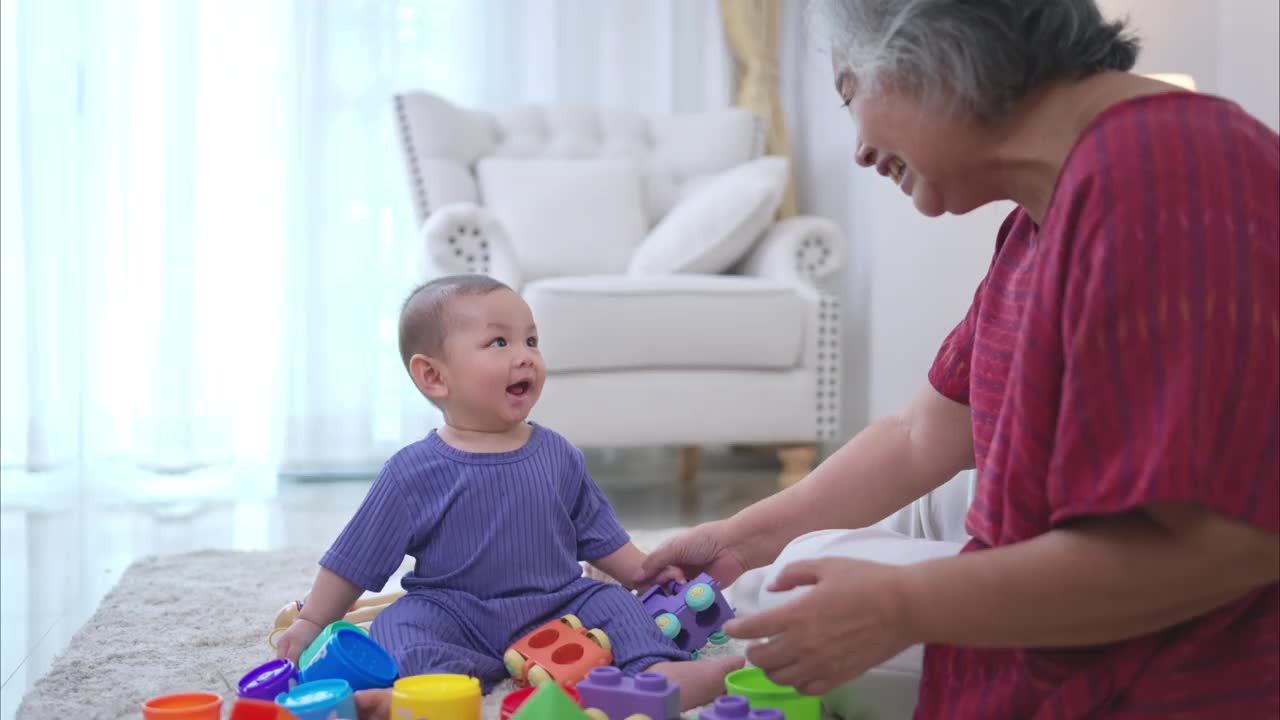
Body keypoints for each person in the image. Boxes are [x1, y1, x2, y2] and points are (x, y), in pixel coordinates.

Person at [638, 0, 1279, 717]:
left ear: (938, 55)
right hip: (1050, 540)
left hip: (1176, 659)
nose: (856, 151)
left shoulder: (1164, 180)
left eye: (850, 91)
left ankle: (742, 670)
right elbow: (920, 437)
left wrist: (905, 605)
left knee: (805, 582)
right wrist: (730, 541)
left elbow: (1235, 546)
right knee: (814, 554)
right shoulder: (1046, 210)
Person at [274, 274, 743, 717]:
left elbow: (601, 536)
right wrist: (312, 621)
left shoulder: (558, 454)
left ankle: (656, 670)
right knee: (399, 625)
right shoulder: (411, 471)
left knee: (615, 602)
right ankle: (429, 692)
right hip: (454, 611)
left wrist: (648, 574)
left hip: (560, 605)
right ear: (434, 376)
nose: (525, 356)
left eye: (531, 341)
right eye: (500, 342)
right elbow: (354, 558)